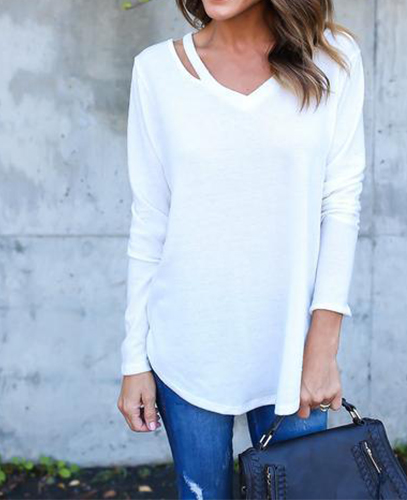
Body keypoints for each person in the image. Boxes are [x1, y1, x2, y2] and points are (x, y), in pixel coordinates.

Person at [117, 0, 366, 497]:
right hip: (186, 347)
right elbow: (150, 221)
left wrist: (323, 346)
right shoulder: (156, 71)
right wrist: (133, 359)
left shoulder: (333, 58)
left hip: (294, 351)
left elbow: (340, 203)